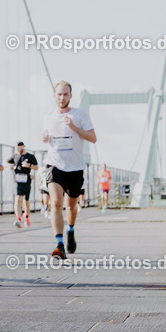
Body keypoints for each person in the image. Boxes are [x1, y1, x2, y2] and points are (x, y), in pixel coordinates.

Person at [42, 80, 97, 259]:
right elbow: (47, 139)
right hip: (54, 164)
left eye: (65, 94)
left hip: (75, 168)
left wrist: (74, 128)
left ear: (71, 96)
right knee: (55, 202)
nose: (62, 97)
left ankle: (70, 230)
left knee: (70, 207)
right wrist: (44, 138)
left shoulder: (80, 114)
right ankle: (59, 244)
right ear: (54, 96)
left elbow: (93, 138)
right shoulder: (49, 117)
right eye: (59, 94)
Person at [7, 143, 38, 228]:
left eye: (18, 147)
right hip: (17, 180)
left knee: (26, 201)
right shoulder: (15, 156)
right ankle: (18, 219)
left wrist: (29, 166)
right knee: (18, 199)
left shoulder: (30, 156)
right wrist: (9, 165)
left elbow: (36, 167)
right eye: (16, 148)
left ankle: (26, 216)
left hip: (27, 180)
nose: (17, 149)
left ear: (23, 146)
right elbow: (6, 162)